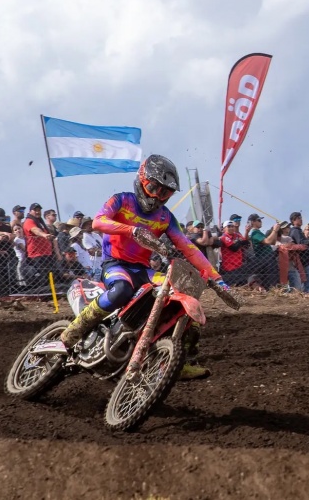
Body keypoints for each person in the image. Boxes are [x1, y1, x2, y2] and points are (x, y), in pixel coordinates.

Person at [59, 154, 235, 380]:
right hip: (116, 263)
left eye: (166, 193)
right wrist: (130, 230)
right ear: (142, 181)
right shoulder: (122, 200)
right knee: (122, 290)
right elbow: (98, 222)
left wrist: (217, 279)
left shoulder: (165, 217)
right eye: (155, 188)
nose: (158, 197)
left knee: (185, 295)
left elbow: (188, 247)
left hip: (143, 270)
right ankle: (73, 331)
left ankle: (181, 359)